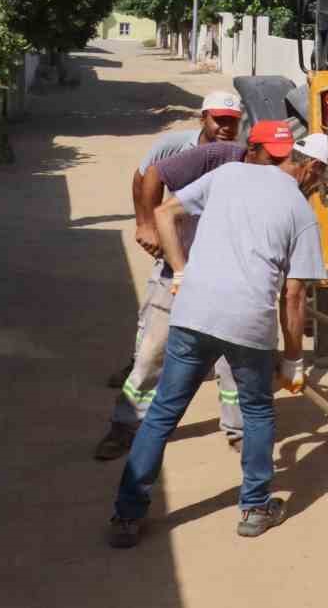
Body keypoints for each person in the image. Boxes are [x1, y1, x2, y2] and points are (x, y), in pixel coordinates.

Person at [107, 133, 328, 548]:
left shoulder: (227, 175)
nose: (317, 188)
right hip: (248, 322)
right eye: (319, 180)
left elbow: (166, 210)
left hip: (193, 311)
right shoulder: (301, 212)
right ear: (311, 169)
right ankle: (254, 508)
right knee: (259, 413)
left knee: (161, 414)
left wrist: (180, 270)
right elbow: (294, 295)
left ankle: (126, 516)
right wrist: (294, 359)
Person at [93, 121, 292, 460]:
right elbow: (154, 178)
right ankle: (125, 425)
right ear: (252, 150)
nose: (277, 167)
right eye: (271, 159)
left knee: (233, 365)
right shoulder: (219, 159)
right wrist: (151, 230)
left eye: (282, 160)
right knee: (153, 354)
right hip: (181, 275)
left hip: (234, 285)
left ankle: (239, 431)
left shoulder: (277, 183)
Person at [108, 90, 243, 389]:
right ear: (203, 118)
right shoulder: (175, 145)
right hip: (176, 244)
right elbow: (143, 176)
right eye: (219, 120)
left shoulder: (238, 155)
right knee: (154, 315)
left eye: (232, 122)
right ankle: (137, 366)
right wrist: (146, 224)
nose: (225, 128)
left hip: (214, 250)